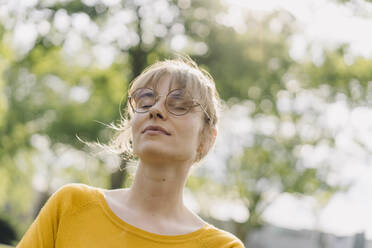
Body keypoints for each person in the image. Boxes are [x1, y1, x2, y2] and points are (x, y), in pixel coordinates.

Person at [17, 57, 246, 247]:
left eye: (178, 104)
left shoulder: (223, 247)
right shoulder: (71, 205)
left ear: (206, 138)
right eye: (145, 101)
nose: (156, 110)